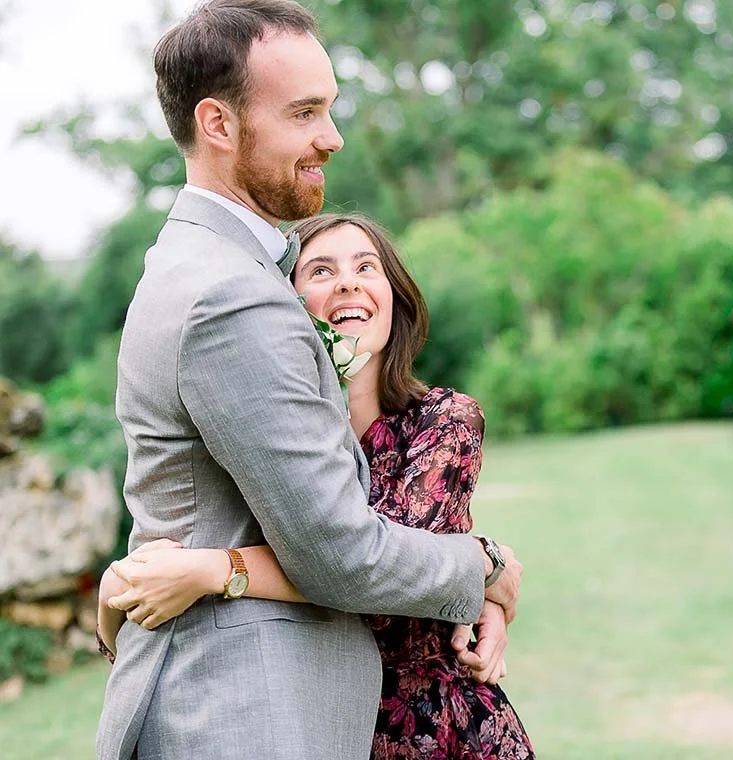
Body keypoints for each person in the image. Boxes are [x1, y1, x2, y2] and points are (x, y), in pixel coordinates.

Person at [95, 3, 521, 759]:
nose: (332, 136)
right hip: (244, 714)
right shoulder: (233, 295)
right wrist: (485, 564)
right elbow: (338, 552)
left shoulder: (198, 265)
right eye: (304, 113)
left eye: (329, 109)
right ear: (219, 124)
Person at [99, 213, 535, 759]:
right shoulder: (272, 441)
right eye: (321, 271)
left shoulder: (443, 421)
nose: (348, 282)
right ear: (284, 307)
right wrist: (117, 588)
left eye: (366, 267)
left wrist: (215, 570)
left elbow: (377, 578)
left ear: (395, 298)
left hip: (431, 726)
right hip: (305, 718)